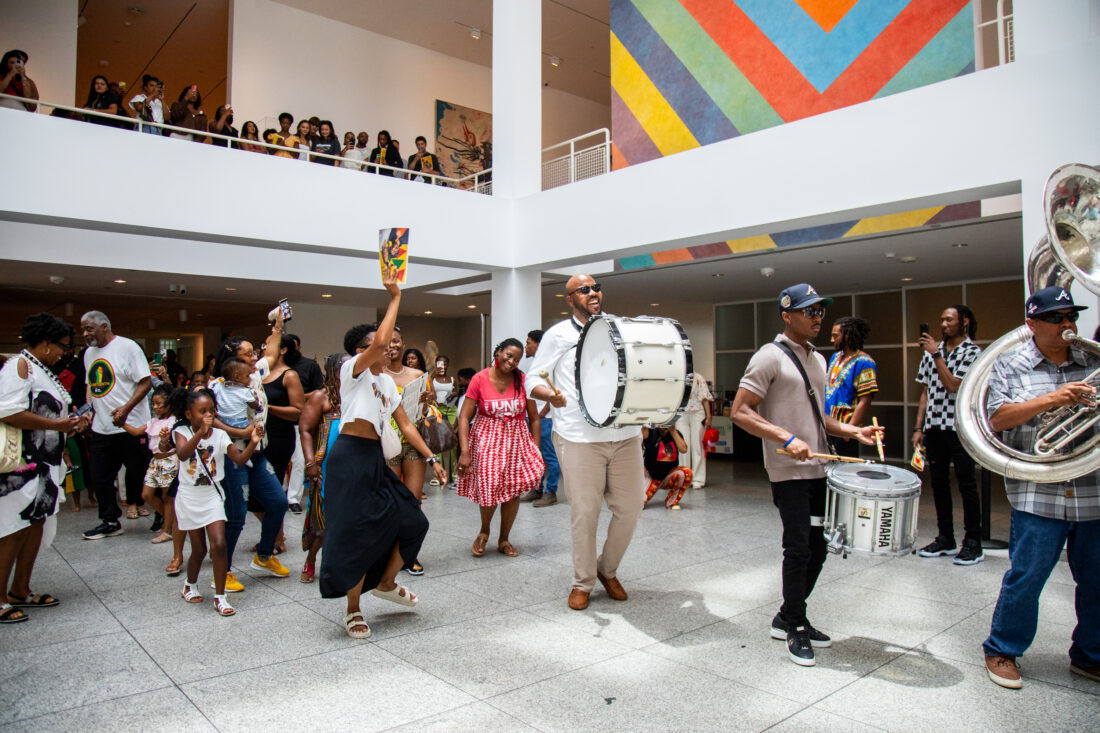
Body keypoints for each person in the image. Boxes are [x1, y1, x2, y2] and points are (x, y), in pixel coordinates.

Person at [730, 283, 881, 667]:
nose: (818, 317)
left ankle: (789, 614)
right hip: (788, 470)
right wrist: (786, 437)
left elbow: (820, 416)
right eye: (809, 311)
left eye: (820, 311)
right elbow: (741, 411)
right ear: (787, 315)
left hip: (819, 466)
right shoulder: (769, 357)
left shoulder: (818, 359)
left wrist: (852, 431)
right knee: (797, 548)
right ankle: (794, 623)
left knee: (819, 547)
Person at [981, 286, 1100, 689]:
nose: (1068, 324)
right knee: (1027, 577)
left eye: (1071, 316)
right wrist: (1054, 399)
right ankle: (1002, 649)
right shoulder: (1011, 365)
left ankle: (1089, 654)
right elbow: (998, 419)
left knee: (1097, 580)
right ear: (1033, 324)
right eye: (1057, 318)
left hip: (1092, 487)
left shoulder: (1092, 361)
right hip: (1039, 490)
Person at [320, 266, 446, 639]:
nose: (390, 345)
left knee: (414, 521)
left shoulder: (386, 385)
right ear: (361, 351)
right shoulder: (351, 371)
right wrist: (395, 297)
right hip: (349, 457)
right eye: (381, 341)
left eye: (391, 340)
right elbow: (377, 346)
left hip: (374, 458)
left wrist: (433, 458)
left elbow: (406, 425)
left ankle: (386, 583)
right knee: (355, 533)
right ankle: (353, 609)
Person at [527, 274, 644, 611]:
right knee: (585, 512)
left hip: (624, 434)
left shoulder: (617, 327)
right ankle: (583, 581)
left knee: (631, 507)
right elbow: (532, 380)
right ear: (570, 299)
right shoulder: (558, 335)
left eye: (596, 287)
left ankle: (607, 569)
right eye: (584, 289)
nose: (593, 293)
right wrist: (549, 394)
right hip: (579, 436)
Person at [0, 314, 81, 624]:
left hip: (45, 465)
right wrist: (55, 424)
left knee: (35, 526)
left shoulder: (42, 370)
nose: (64, 353)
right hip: (21, 465)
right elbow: (8, 411)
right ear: (46, 343)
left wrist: (69, 427)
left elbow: (49, 417)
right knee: (12, 530)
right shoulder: (19, 366)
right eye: (62, 346)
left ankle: (21, 589)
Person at [210, 320, 291, 591]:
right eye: (247, 353)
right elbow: (209, 421)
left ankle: (265, 555)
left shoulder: (254, 374)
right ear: (233, 359)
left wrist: (278, 326)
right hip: (234, 454)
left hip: (256, 453)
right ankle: (224, 572)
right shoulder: (217, 386)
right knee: (236, 515)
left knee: (278, 502)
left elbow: (270, 353)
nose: (254, 356)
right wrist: (241, 431)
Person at [171, 387, 262, 617]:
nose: (208, 415)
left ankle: (220, 597)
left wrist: (252, 441)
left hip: (212, 495)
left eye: (211, 410)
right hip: (190, 497)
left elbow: (239, 460)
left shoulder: (220, 435)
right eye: (202, 411)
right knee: (199, 550)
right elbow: (183, 455)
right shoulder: (181, 431)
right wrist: (199, 434)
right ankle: (189, 584)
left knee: (219, 545)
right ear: (189, 414)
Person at [456, 338, 543, 558]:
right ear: (499, 352)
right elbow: (465, 416)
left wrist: (535, 448)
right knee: (489, 487)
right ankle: (484, 531)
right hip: (486, 438)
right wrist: (465, 451)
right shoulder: (480, 378)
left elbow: (534, 418)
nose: (512, 361)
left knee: (512, 491)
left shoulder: (522, 380)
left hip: (516, 440)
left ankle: (504, 538)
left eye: (517, 359)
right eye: (509, 355)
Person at [913, 304, 984, 565]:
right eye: (941, 320)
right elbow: (926, 391)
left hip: (959, 429)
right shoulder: (934, 352)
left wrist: (936, 356)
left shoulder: (973, 352)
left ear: (964, 322)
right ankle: (945, 538)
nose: (943, 325)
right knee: (939, 483)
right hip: (934, 427)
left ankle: (973, 543)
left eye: (949, 320)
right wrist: (918, 428)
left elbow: (953, 385)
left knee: (966, 485)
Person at [80, 311, 153, 540]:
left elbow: (146, 381)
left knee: (140, 473)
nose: (85, 333)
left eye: (89, 328)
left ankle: (161, 515)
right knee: (100, 475)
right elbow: (92, 387)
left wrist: (126, 409)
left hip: (132, 425)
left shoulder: (128, 347)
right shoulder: (89, 354)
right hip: (102, 427)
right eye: (83, 329)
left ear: (104, 326)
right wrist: (88, 412)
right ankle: (110, 520)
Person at [384, 329, 433, 575]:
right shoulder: (376, 375)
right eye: (388, 341)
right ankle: (389, 554)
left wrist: (427, 400)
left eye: (396, 341)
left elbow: (427, 410)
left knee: (413, 502)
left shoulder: (418, 375)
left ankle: (409, 554)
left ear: (403, 344)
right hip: (386, 441)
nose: (392, 345)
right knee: (392, 501)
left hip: (413, 441)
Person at [298, 353, 347, 583]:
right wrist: (310, 463)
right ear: (334, 369)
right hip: (325, 466)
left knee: (347, 518)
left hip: (351, 464)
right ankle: (311, 559)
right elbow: (305, 429)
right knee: (323, 521)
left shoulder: (357, 395)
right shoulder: (321, 397)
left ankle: (342, 563)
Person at [121, 383, 178, 538]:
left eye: (159, 404)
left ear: (169, 404)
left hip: (169, 460)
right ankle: (170, 520)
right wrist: (122, 423)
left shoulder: (173, 421)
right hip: (155, 461)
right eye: (153, 403)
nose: (155, 407)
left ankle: (167, 530)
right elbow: (136, 431)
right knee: (146, 495)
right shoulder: (153, 421)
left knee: (167, 497)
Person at [825, 317, 877, 459]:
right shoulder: (835, 357)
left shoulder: (865, 362)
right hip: (827, 426)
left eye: (835, 336)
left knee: (843, 472)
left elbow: (865, 400)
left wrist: (850, 432)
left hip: (846, 428)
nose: (831, 340)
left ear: (847, 335)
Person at [518, 329, 560, 507]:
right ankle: (537, 489)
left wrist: (542, 413)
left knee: (550, 457)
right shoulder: (536, 363)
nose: (526, 346)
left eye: (528, 342)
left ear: (538, 344)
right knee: (537, 456)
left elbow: (557, 390)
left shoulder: (550, 364)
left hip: (545, 418)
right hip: (534, 417)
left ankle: (551, 492)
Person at [285, 334, 323, 514]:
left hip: (300, 420)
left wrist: (297, 396)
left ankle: (293, 498)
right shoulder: (275, 367)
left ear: (298, 347)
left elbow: (319, 390)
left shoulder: (309, 366)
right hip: (277, 421)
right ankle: (278, 494)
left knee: (299, 461)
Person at [675, 372, 714, 489]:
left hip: (697, 413)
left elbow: (705, 397)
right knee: (683, 446)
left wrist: (708, 416)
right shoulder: (676, 376)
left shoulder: (698, 377)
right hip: (681, 414)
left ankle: (698, 479)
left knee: (698, 446)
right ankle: (684, 477)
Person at [641, 425, 690, 509]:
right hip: (651, 477)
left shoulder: (675, 433)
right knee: (638, 505)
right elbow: (641, 434)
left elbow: (684, 449)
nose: (665, 426)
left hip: (668, 477)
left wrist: (673, 431)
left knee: (686, 472)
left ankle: (671, 501)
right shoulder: (651, 432)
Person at [209, 358, 261, 429]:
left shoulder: (218, 386)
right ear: (236, 377)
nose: (250, 379)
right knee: (255, 427)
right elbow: (254, 406)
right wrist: (255, 399)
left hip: (221, 421)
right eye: (247, 376)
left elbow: (211, 395)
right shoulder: (244, 391)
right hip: (240, 424)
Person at [431, 355, 457, 484]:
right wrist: (432, 375)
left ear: (448, 365)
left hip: (450, 409)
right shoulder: (432, 378)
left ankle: (453, 473)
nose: (442, 366)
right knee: (438, 440)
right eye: (439, 363)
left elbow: (457, 391)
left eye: (444, 363)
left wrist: (453, 394)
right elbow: (428, 389)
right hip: (437, 410)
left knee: (452, 438)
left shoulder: (452, 379)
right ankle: (439, 473)